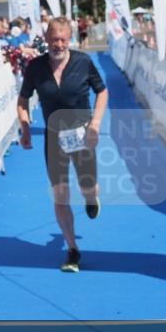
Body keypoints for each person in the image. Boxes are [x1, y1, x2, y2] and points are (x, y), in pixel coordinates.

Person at [18, 17, 108, 273]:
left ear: (70, 39)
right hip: (54, 138)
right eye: (54, 39)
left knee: (88, 186)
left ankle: (91, 199)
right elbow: (22, 100)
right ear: (46, 39)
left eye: (63, 39)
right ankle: (72, 250)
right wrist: (25, 128)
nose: (58, 44)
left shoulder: (83, 62)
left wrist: (96, 124)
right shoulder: (35, 67)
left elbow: (102, 92)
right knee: (60, 195)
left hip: (83, 135)